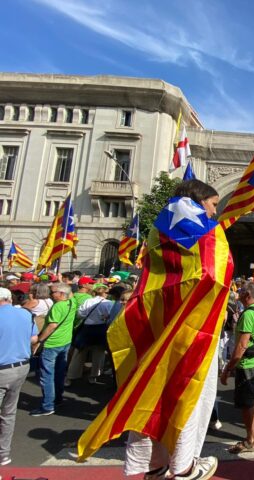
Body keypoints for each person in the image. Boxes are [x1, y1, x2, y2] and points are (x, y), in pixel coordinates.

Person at [77, 179, 229, 480]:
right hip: (192, 327)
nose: (215, 213)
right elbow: (215, 275)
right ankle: (184, 465)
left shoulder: (158, 230)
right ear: (199, 202)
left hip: (155, 324)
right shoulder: (208, 232)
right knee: (186, 392)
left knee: (153, 390)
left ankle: (155, 463)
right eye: (213, 205)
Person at [221, 281, 254, 454]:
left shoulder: (248, 315)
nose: (239, 294)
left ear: (247, 295)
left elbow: (240, 347)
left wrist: (228, 368)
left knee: (246, 402)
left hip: (248, 364)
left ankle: (251, 439)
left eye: (241, 292)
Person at [0, 287, 39, 465]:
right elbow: (33, 339)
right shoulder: (25, 314)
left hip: (2, 369)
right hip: (21, 367)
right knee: (9, 413)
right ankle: (3, 454)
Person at [31, 283, 76, 416]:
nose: (51, 294)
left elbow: (52, 326)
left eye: (53, 292)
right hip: (65, 341)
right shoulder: (72, 302)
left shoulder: (57, 306)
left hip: (52, 344)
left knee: (47, 376)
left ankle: (47, 406)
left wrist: (39, 340)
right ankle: (57, 399)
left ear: (61, 294)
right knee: (59, 372)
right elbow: (71, 292)